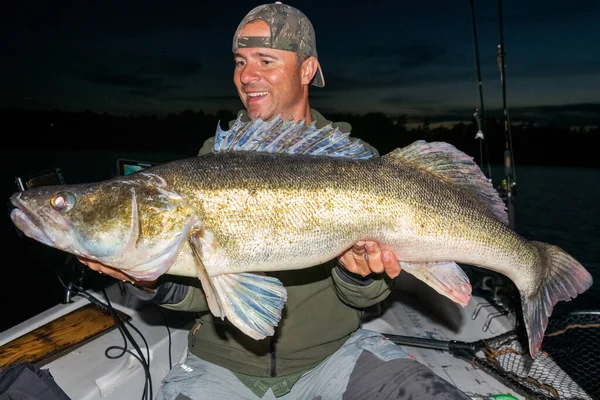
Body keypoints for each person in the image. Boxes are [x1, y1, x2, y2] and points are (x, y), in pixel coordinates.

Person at [80, 3, 470, 399]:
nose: (246, 76)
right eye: (239, 62)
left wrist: (357, 272)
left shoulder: (357, 161)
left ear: (306, 70)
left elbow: (364, 297)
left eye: (265, 60)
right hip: (221, 367)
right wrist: (150, 281)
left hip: (332, 357)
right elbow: (201, 293)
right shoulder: (214, 160)